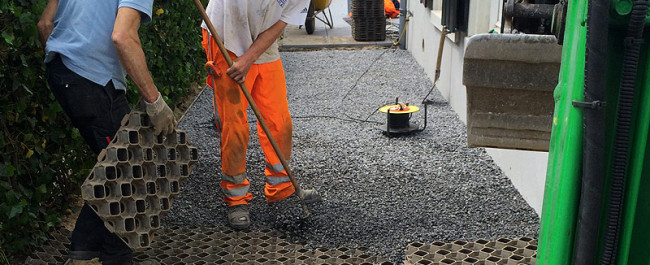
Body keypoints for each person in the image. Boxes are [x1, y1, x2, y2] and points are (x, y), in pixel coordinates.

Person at [38, 0, 176, 264]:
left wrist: (70, 72)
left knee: (113, 167)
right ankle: (116, 259)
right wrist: (154, 101)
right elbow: (122, 36)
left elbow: (45, 24)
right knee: (131, 169)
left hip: (64, 73)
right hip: (92, 80)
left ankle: (84, 251)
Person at [201, 0, 319, 230]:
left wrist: (248, 59)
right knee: (234, 125)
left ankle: (281, 188)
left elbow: (280, 24)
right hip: (225, 37)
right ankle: (236, 199)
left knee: (279, 121)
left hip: (263, 42)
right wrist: (240, 60)